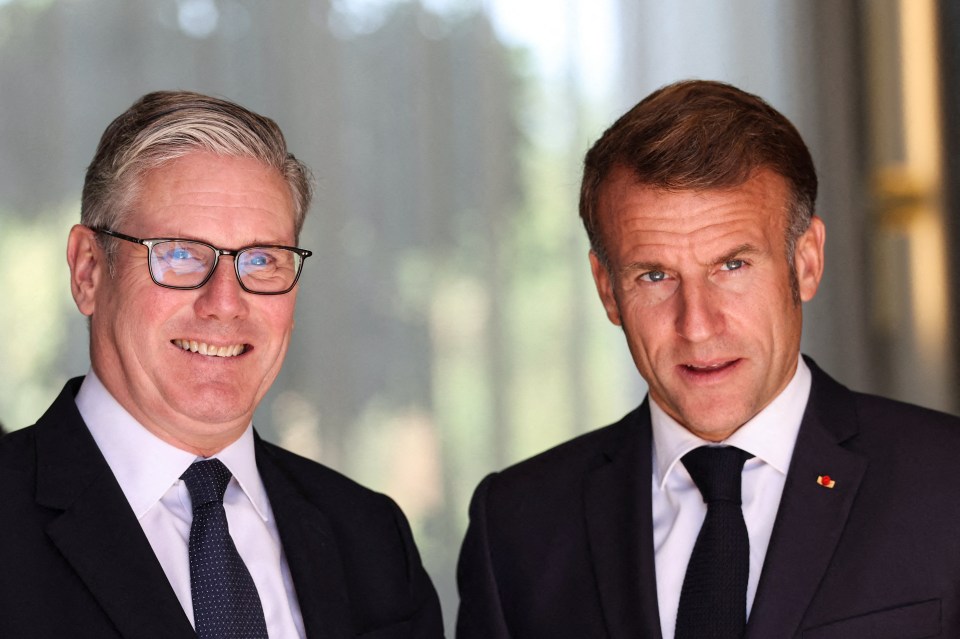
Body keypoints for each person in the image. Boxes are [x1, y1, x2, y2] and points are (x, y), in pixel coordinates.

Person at [456, 80, 960, 639]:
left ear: (807, 263)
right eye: (654, 276)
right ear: (607, 290)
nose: (697, 325)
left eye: (733, 266)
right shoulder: (515, 527)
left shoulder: (948, 484)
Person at [0, 91, 443, 638]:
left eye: (261, 260)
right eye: (181, 253)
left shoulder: (370, 537)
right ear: (89, 270)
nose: (226, 303)